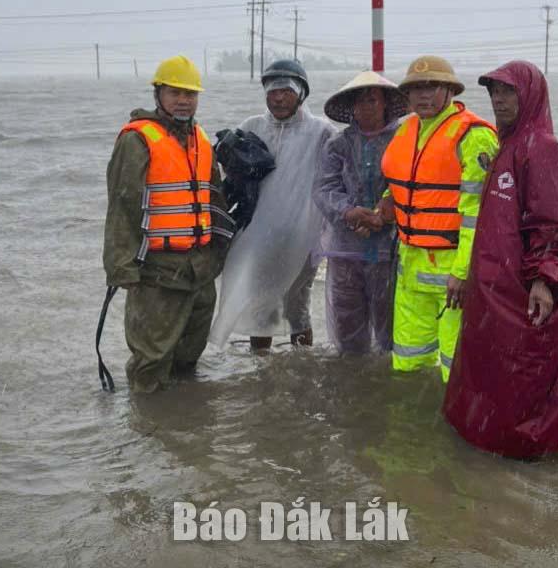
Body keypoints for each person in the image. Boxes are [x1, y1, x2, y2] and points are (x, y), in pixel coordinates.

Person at [443, 61, 558, 457]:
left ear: (530, 96)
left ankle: (525, 445)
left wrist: (544, 280)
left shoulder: (540, 148)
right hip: (494, 288)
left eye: (508, 92)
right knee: (493, 367)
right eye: (494, 92)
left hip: (521, 289)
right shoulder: (506, 145)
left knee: (525, 368)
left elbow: (552, 221)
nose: (498, 100)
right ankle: (489, 438)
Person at [103, 55, 233, 392]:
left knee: (189, 357)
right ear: (158, 94)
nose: (183, 100)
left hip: (200, 270)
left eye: (190, 94)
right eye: (175, 93)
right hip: (157, 273)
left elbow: (213, 198)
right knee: (151, 362)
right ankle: (147, 431)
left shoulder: (201, 139)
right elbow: (122, 207)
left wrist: (222, 249)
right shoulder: (137, 140)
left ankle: (184, 424)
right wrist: (122, 269)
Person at [379, 56, 498, 381]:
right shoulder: (407, 129)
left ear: (450, 90)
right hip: (410, 268)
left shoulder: (474, 137)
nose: (423, 95)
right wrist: (389, 201)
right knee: (406, 364)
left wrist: (462, 274)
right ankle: (410, 429)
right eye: (415, 88)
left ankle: (453, 431)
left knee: (457, 368)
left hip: (452, 275)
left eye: (431, 86)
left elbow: (478, 215)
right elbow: (407, 181)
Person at [209, 59, 335, 351]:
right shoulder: (252, 127)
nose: (278, 98)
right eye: (272, 91)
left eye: (286, 91)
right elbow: (229, 174)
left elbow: (336, 179)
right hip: (257, 236)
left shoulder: (321, 132)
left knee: (297, 305)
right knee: (259, 305)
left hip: (302, 238)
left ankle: (300, 366)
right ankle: (261, 370)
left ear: (302, 93)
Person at [313, 71, 408, 354]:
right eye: (361, 101)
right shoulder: (337, 145)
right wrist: (350, 212)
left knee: (390, 329)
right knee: (348, 332)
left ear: (386, 105)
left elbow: (408, 184)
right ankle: (352, 387)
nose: (367, 106)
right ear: (352, 107)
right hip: (346, 250)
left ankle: (384, 387)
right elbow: (324, 188)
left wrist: (384, 215)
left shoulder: (403, 140)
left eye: (373, 100)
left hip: (388, 248)